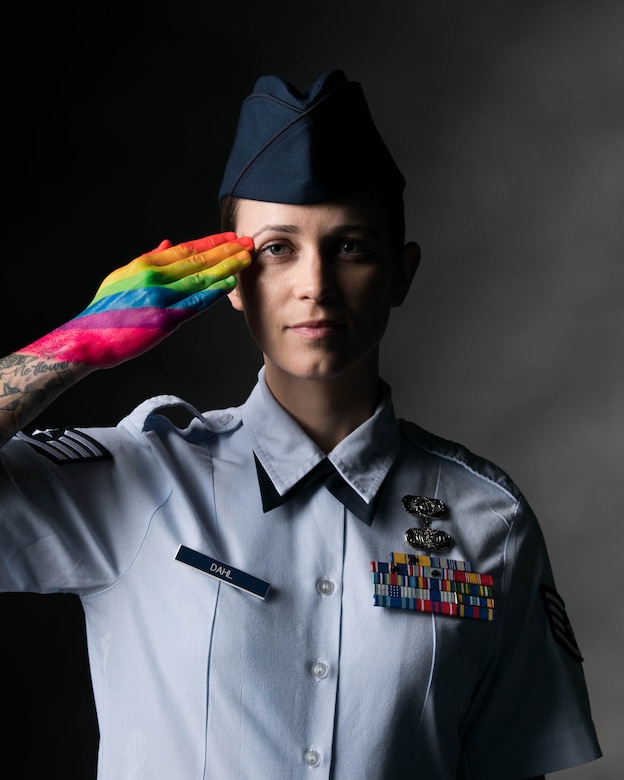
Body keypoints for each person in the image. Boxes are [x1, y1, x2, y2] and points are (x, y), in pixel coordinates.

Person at [0, 70, 601, 779]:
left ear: (401, 273)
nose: (315, 284)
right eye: (277, 250)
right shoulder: (139, 479)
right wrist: (71, 349)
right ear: (232, 278)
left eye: (350, 246)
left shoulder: (486, 519)